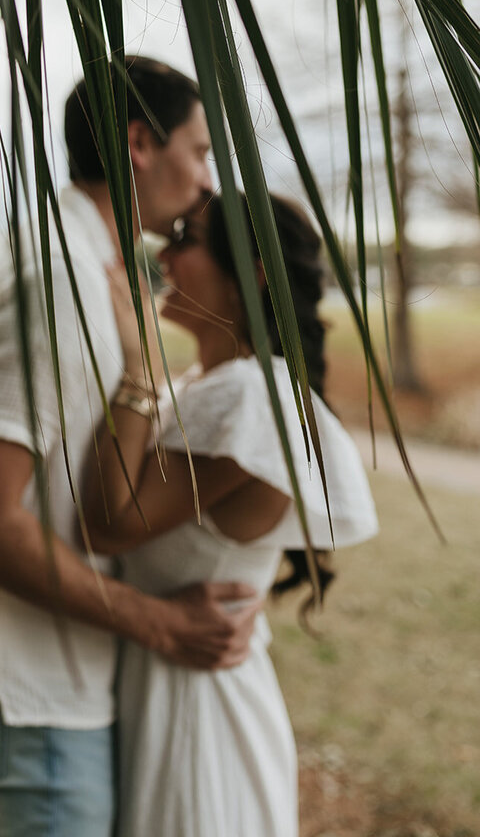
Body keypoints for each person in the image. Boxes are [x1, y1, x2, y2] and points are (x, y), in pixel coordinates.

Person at [0, 58, 261, 837]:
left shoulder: (88, 268)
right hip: (37, 701)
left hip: (58, 688)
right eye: (201, 151)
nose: (208, 181)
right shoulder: (55, 279)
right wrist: (160, 622)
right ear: (141, 143)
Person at [81, 191, 379, 837]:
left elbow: (109, 522)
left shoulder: (255, 399)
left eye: (186, 237)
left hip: (197, 714)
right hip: (162, 686)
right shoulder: (201, 388)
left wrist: (138, 365)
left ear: (254, 270)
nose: (163, 251)